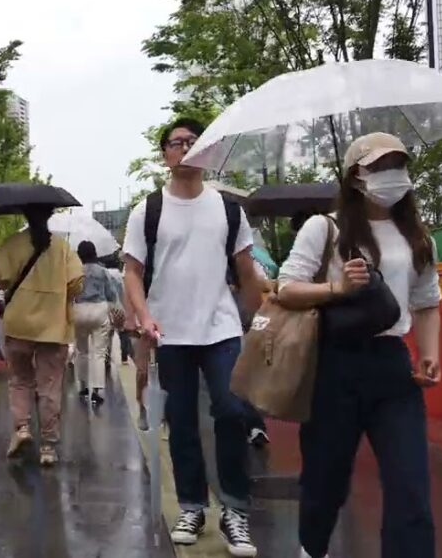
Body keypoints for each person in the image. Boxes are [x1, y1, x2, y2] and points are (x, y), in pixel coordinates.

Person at [277, 133, 441, 558]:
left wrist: (429, 354)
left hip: (393, 368)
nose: (392, 175)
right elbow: (286, 289)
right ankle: (312, 548)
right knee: (324, 481)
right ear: (355, 177)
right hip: (334, 365)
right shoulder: (324, 228)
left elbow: (427, 303)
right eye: (379, 167)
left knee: (410, 487)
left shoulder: (419, 238)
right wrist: (338, 288)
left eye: (398, 165)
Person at [122, 118, 264, 557]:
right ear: (164, 154)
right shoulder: (148, 211)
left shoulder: (229, 210)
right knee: (180, 421)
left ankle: (235, 510)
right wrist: (144, 318)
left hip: (222, 328)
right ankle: (192, 506)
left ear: (208, 151)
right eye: (176, 142)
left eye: (193, 142)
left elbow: (246, 271)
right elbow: (132, 272)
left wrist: (261, 318)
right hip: (169, 333)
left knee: (232, 412)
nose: (185, 148)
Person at [0, 205, 83, 467]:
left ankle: (22, 429)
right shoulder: (62, 247)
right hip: (54, 326)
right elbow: (77, 283)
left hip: (18, 324)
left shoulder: (13, 244)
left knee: (20, 380)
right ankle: (48, 446)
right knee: (49, 386)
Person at [72, 240, 119, 407]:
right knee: (99, 353)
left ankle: (83, 388)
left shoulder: (75, 270)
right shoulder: (102, 271)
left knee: (81, 351)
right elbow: (111, 293)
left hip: (79, 310)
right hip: (99, 310)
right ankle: (96, 392)